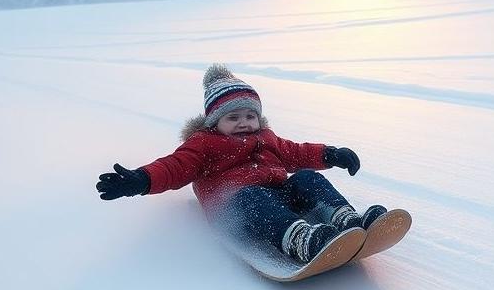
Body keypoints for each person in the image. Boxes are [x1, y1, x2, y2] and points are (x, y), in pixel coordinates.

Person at [95, 64, 387, 263]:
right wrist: (141, 180)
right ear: (214, 122)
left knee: (306, 178)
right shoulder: (204, 144)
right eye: (232, 118)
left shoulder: (267, 137)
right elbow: (175, 166)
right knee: (252, 196)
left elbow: (296, 152)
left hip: (277, 197)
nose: (243, 123)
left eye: (249, 115)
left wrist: (330, 154)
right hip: (237, 209)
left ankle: (346, 220)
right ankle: (300, 240)